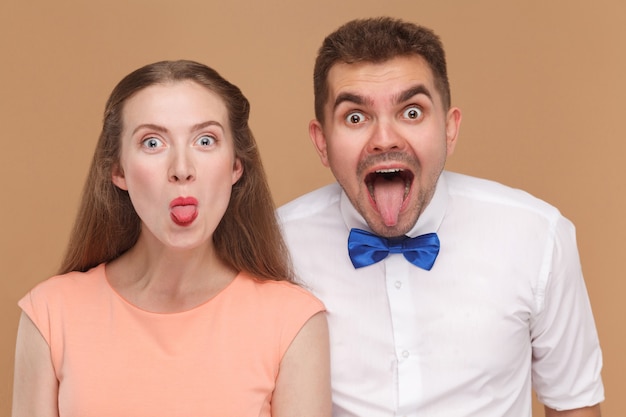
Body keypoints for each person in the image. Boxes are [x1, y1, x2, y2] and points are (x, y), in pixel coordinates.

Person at [278, 17, 603, 417]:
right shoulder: (275, 247)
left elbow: (574, 406)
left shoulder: (538, 236)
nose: (384, 139)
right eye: (356, 117)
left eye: (411, 112)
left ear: (449, 129)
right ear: (321, 141)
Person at [13, 60, 331, 417]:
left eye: (205, 140)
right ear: (118, 170)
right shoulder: (50, 314)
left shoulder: (293, 321)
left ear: (235, 167)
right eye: (152, 142)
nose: (182, 169)